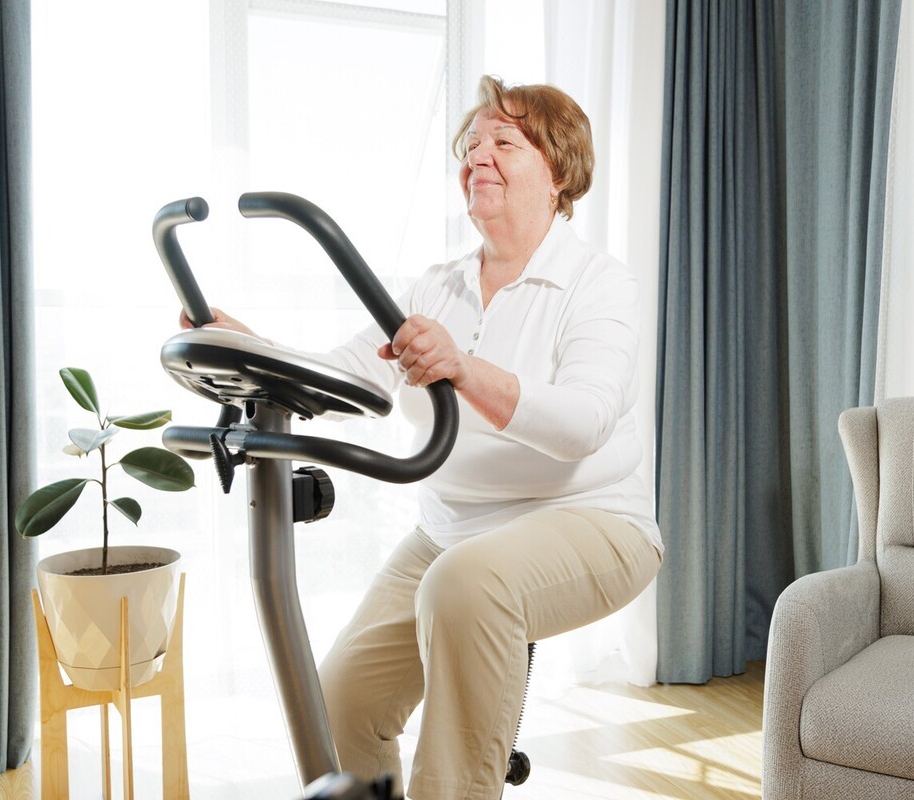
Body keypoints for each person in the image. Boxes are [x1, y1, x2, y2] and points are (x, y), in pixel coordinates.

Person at [184, 75, 663, 800]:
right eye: (471, 143)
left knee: (465, 587)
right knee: (343, 700)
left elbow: (584, 423)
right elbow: (354, 379)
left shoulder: (600, 285)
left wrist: (465, 369)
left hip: (593, 523)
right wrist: (247, 344)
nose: (480, 153)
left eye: (505, 140)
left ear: (560, 171)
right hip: (453, 533)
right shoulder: (437, 286)